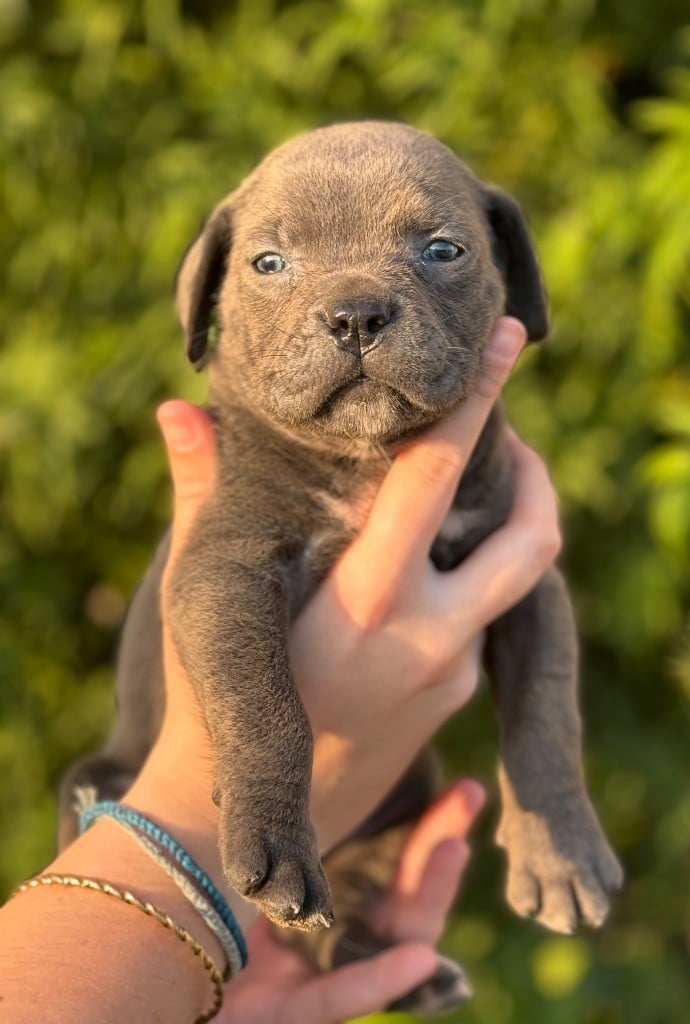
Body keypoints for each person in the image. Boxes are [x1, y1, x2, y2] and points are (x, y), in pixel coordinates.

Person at [0, 318, 562, 1023]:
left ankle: (336, 921)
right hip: (177, 819)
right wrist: (209, 821)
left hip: (275, 935)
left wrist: (210, 1001)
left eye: (441, 250)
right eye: (271, 263)